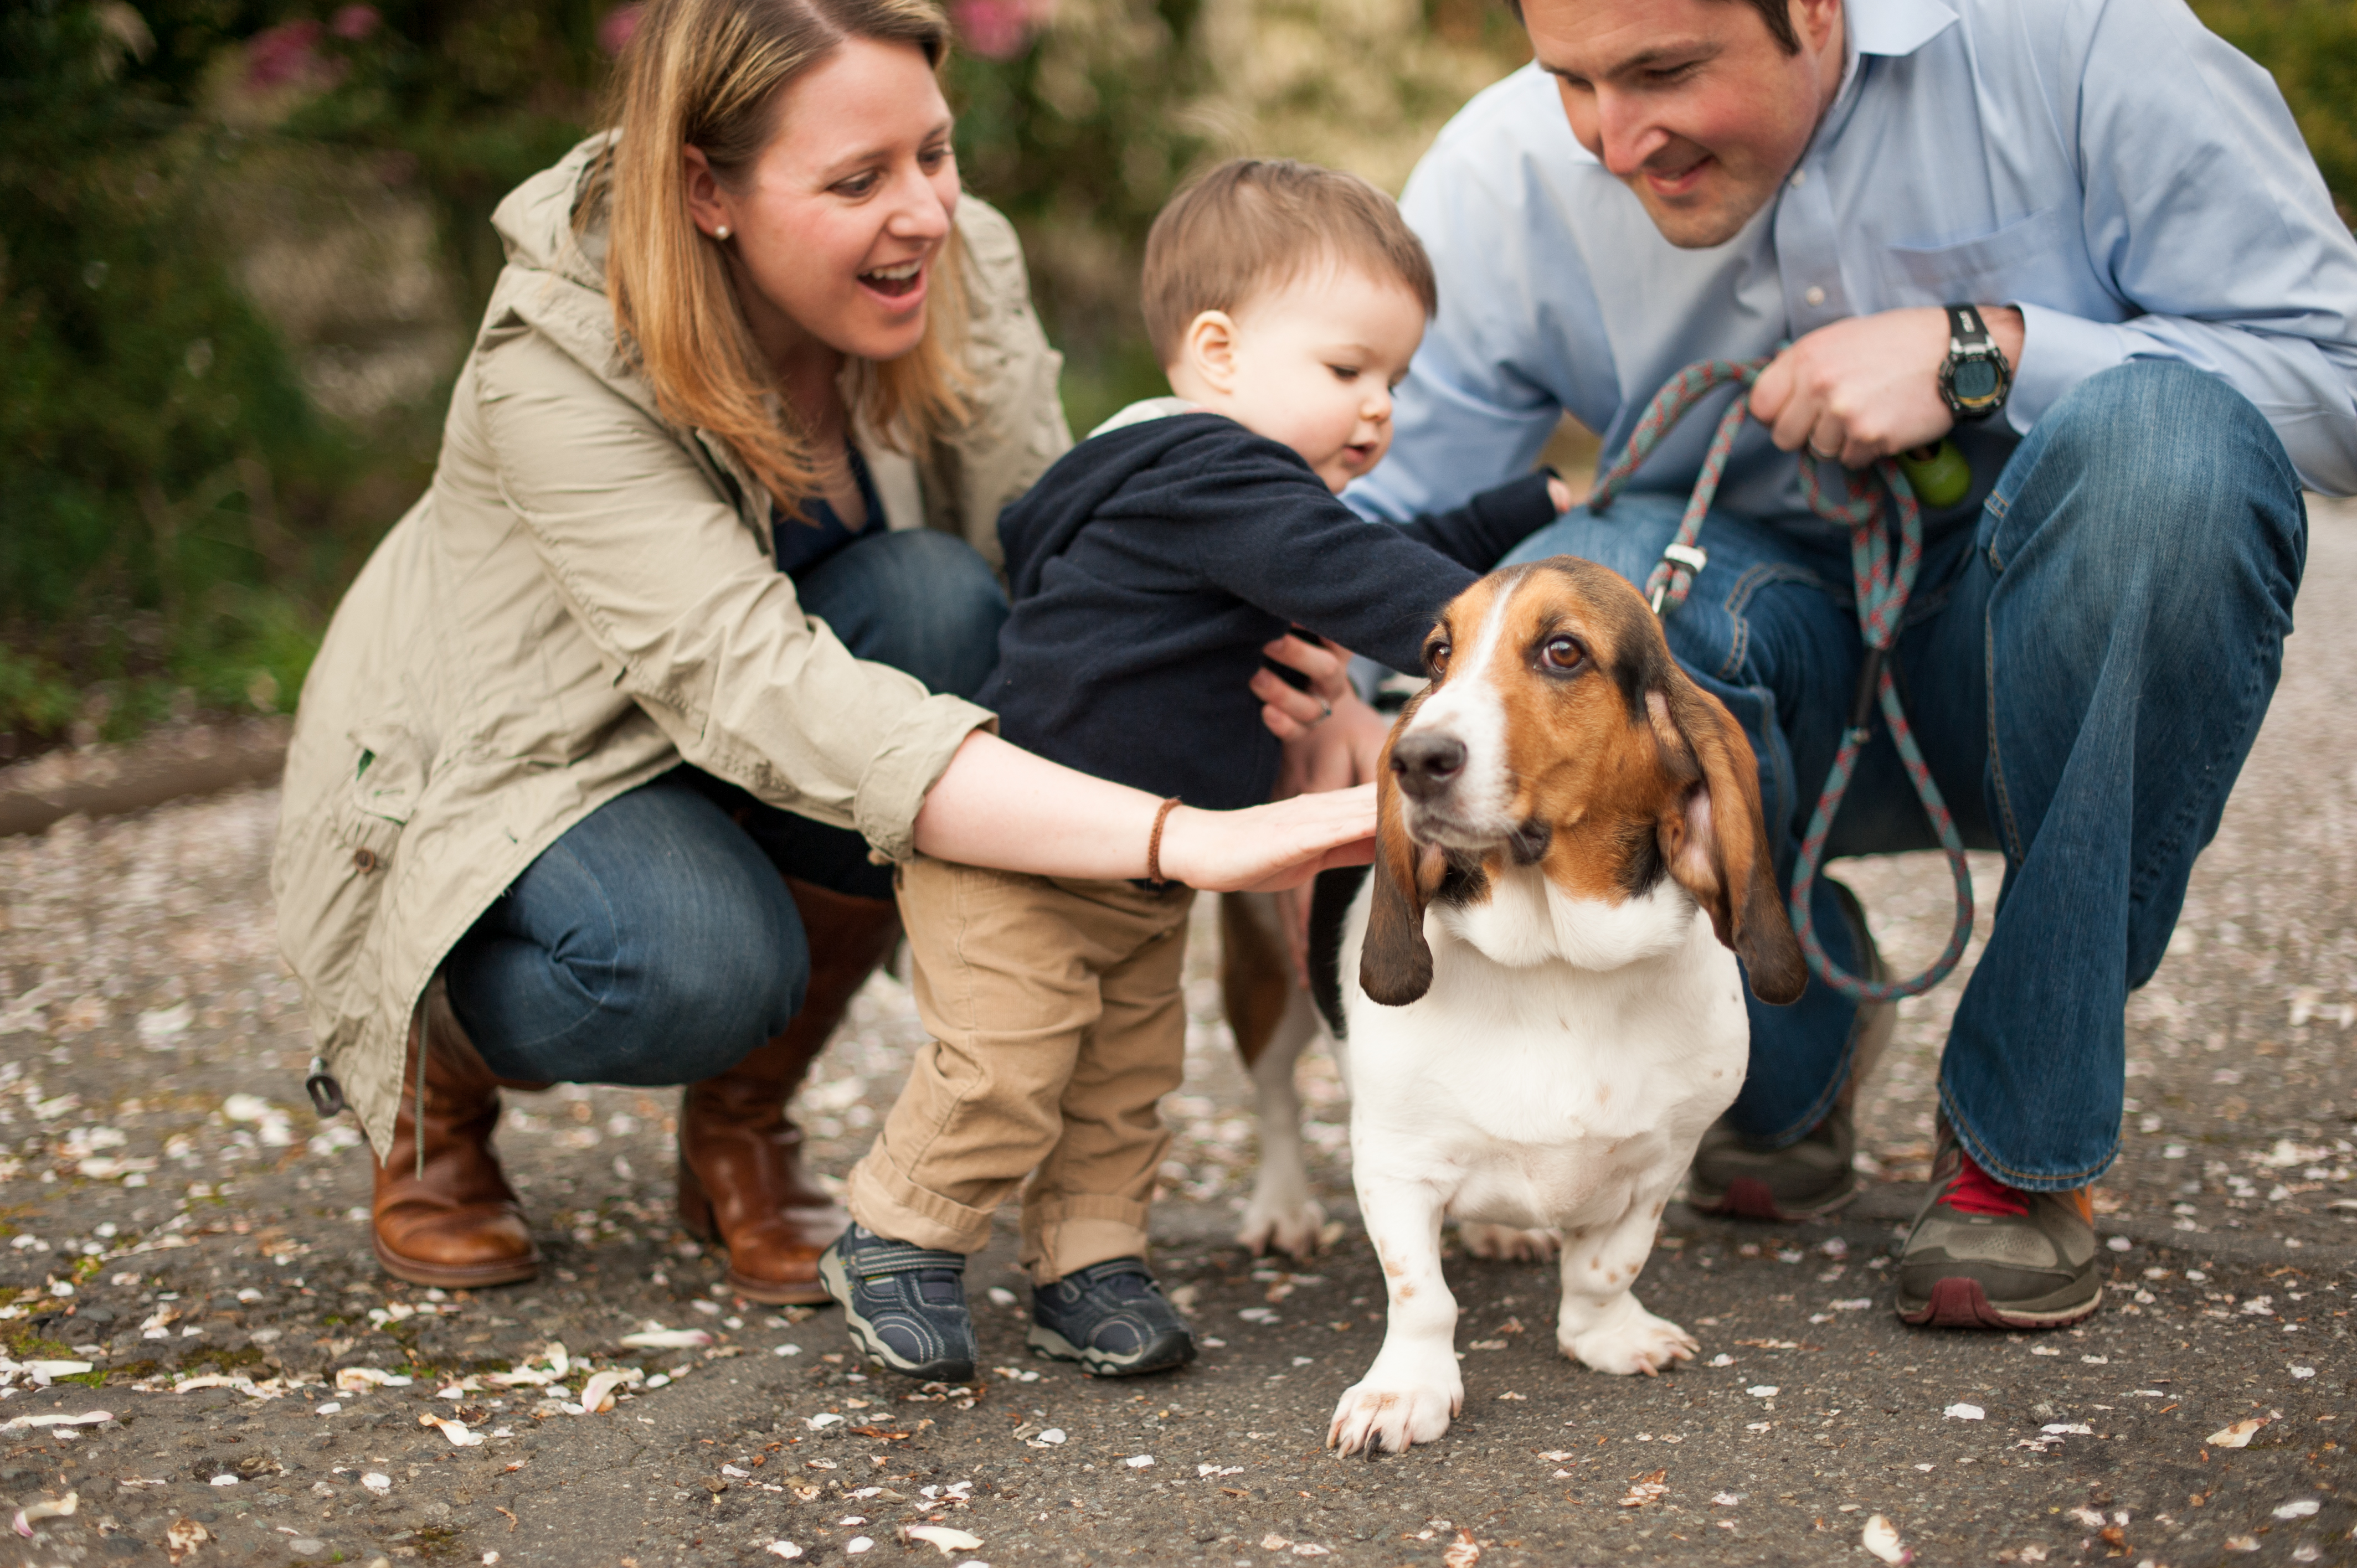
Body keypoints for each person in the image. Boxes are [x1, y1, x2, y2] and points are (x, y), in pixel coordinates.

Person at [270, 0, 1373, 1309]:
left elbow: (1057, 565)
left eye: (935, 155)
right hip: (531, 759)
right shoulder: (557, 356)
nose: (923, 213)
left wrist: (1283, 678)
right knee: (691, 967)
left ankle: (740, 1124)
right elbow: (751, 684)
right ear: (705, 189)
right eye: (858, 180)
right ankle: (429, 1072)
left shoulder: (954, 259)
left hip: (795, 694)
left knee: (948, 607)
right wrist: (1170, 836)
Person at [1346, 0, 2356, 1328]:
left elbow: (2334, 379)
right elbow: (1387, 526)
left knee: (2168, 450)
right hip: (1749, 672)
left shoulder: (2092, 42)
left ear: (1818, 11)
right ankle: (1792, 1048)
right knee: (1594, 582)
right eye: (1572, 83)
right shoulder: (1501, 173)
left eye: (1663, 72)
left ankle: (2019, 1148)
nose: (1612, 138)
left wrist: (1986, 349)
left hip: (2053, 665)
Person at [817, 159, 1574, 1382]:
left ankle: (1088, 1262)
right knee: (1005, 1066)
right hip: (1017, 856)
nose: (1378, 409)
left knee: (1124, 1080)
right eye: (1345, 372)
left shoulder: (1221, 496)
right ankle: (899, 1234)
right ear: (1218, 353)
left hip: (1131, 866)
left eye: (1394, 380)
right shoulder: (1211, 474)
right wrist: (1538, 647)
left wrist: (1512, 509)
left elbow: (1353, 555)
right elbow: (1363, 578)